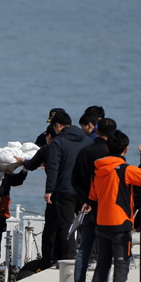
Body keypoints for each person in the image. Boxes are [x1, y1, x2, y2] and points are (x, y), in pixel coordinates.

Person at [87, 130, 141, 282]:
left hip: (101, 224)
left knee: (102, 268)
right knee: (121, 268)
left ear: (108, 148)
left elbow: (93, 198)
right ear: (126, 149)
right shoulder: (126, 170)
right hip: (120, 225)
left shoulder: (97, 170)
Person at [69, 118, 117, 282]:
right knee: (105, 250)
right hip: (106, 209)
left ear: (96, 130)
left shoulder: (84, 151)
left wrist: (85, 200)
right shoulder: (112, 154)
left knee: (84, 249)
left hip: (86, 207)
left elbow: (75, 181)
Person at [42, 111, 92, 269]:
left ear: (57, 126)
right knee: (86, 223)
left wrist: (49, 189)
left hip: (65, 189)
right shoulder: (86, 140)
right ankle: (89, 256)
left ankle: (69, 259)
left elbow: (53, 167)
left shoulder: (58, 141)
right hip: (85, 189)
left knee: (66, 225)